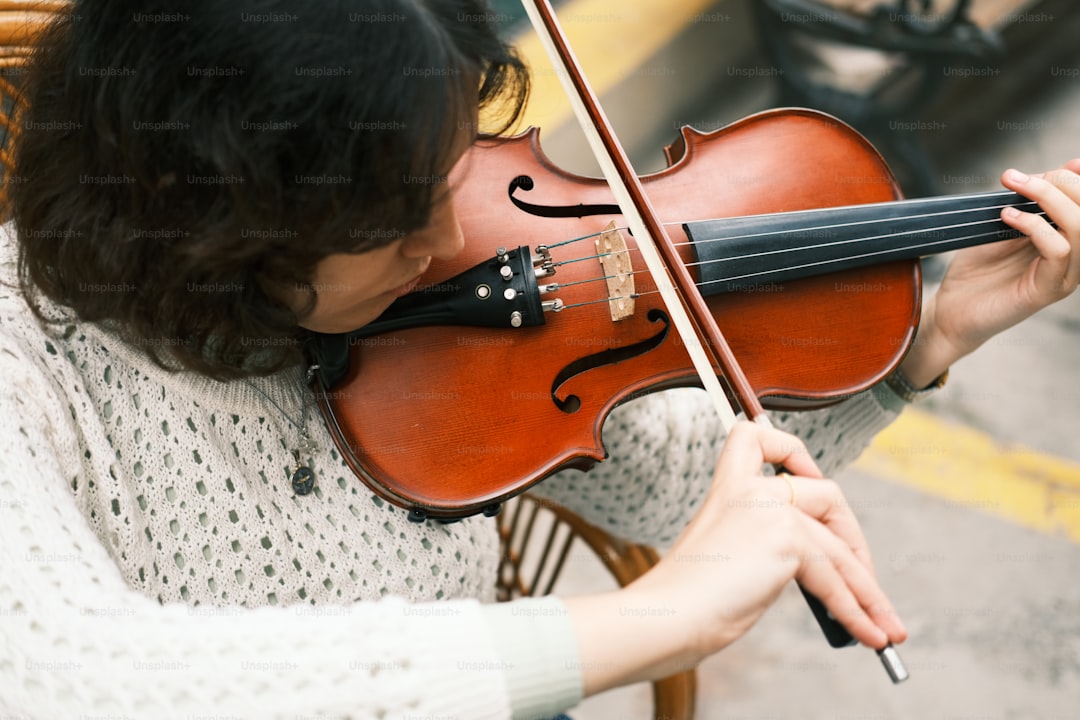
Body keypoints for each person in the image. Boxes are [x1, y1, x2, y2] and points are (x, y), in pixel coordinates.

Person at [1, 1, 1077, 718]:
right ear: (228, 224)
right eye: (394, 223)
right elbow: (62, 677)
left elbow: (667, 484)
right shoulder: (25, 358)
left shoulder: (436, 259)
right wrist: (651, 620)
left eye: (447, 174)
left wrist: (920, 347)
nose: (449, 245)